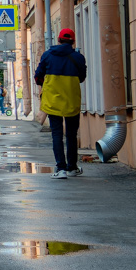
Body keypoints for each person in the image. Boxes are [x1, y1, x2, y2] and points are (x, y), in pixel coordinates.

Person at [34, 27, 88, 179]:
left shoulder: (48, 55)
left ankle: (60, 168)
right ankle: (72, 167)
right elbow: (82, 77)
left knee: (56, 134)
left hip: (52, 101)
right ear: (73, 41)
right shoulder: (78, 57)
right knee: (71, 134)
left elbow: (38, 76)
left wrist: (44, 86)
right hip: (71, 100)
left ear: (58, 40)